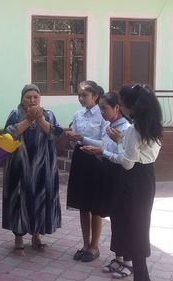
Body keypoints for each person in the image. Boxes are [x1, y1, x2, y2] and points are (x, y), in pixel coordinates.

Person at [81, 84, 163, 281]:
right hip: (146, 178)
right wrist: (120, 142)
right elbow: (139, 154)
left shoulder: (134, 130)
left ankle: (140, 274)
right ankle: (138, 272)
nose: (123, 109)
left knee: (133, 226)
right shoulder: (153, 127)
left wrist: (104, 152)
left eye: (124, 106)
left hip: (133, 180)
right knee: (140, 224)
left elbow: (127, 163)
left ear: (133, 107)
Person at [2, 83, 63, 256]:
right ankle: (19, 238)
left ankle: (36, 235)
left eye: (35, 97)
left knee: (40, 200)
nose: (32, 100)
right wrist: (28, 120)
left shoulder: (49, 114)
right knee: (19, 200)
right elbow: (8, 135)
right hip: (19, 167)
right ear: (22, 99)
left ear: (40, 98)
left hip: (43, 167)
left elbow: (55, 134)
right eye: (28, 97)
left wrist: (40, 119)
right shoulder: (15, 114)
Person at [79, 92, 133, 278]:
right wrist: (84, 140)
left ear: (117, 108)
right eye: (100, 108)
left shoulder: (125, 128)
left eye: (104, 108)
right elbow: (105, 144)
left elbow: (123, 157)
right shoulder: (111, 125)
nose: (101, 112)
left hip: (121, 177)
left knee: (124, 220)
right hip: (109, 175)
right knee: (115, 220)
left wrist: (102, 152)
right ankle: (118, 258)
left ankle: (128, 261)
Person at [66, 80, 108, 262]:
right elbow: (75, 141)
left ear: (95, 96)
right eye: (79, 95)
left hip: (96, 160)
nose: (81, 98)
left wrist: (84, 138)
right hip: (81, 159)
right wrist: (74, 138)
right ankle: (85, 244)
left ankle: (94, 246)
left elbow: (106, 143)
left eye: (84, 95)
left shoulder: (103, 115)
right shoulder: (78, 114)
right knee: (82, 204)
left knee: (95, 205)